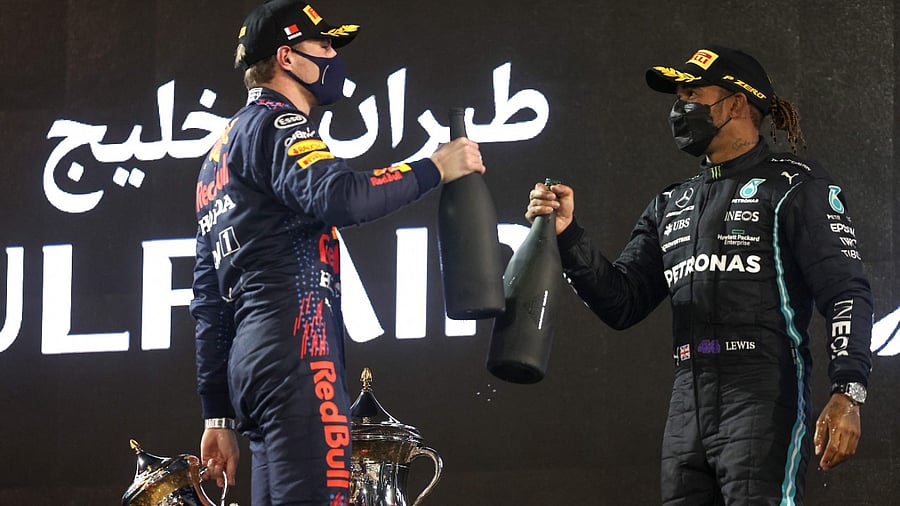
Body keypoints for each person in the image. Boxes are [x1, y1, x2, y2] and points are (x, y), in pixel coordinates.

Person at [526, 45, 872, 505]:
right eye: (677, 98)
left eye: (692, 94)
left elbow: (846, 290)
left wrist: (848, 392)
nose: (678, 109)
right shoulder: (671, 203)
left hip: (763, 391)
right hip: (686, 398)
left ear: (736, 103)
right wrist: (568, 235)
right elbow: (622, 302)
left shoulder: (794, 185)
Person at [189, 1, 485, 504]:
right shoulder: (278, 124)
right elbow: (341, 197)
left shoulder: (215, 158)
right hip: (298, 351)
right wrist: (435, 167)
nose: (333, 56)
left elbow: (208, 301)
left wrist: (217, 414)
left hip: (252, 366)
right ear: (286, 57)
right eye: (323, 44)